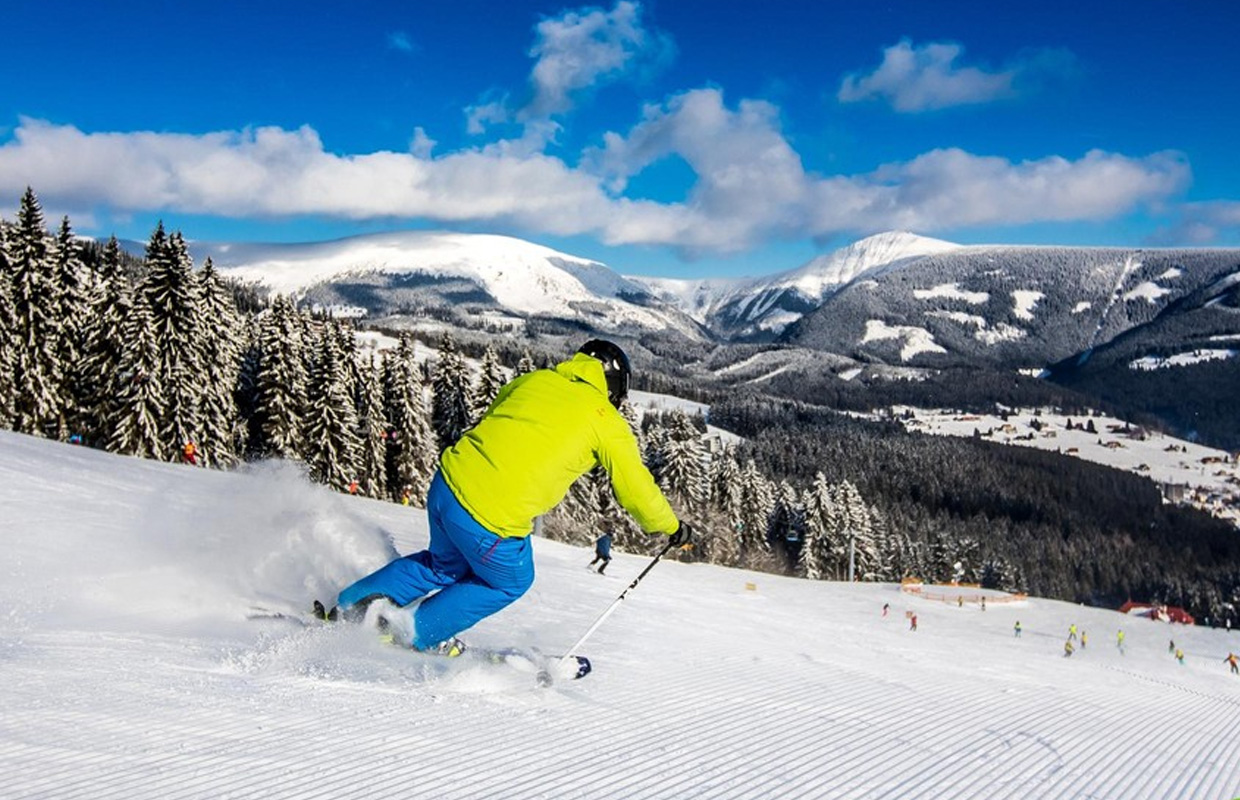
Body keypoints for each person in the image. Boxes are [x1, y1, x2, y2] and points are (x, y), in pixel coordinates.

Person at [325, 340, 691, 655]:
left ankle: (348, 606)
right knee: (510, 580)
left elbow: (497, 417)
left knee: (443, 565)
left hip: (447, 483)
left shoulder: (537, 380)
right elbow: (637, 490)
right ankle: (413, 634)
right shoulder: (606, 422)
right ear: (614, 388)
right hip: (489, 515)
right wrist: (671, 527)